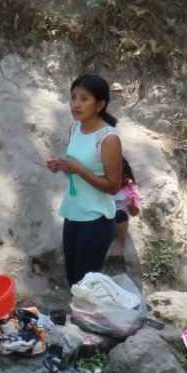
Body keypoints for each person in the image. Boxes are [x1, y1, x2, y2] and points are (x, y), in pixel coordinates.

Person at [46, 73, 125, 288]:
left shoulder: (108, 138)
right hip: (73, 213)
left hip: (96, 219)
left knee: (86, 285)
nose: (76, 104)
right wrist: (62, 166)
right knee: (73, 280)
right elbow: (76, 170)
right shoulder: (75, 128)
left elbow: (113, 186)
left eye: (84, 98)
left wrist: (78, 169)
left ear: (100, 105)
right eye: (73, 97)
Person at [112, 159, 141, 250]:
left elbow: (135, 213)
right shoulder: (103, 185)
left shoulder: (130, 187)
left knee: (120, 214)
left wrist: (131, 206)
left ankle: (121, 244)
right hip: (103, 219)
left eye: (124, 176)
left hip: (120, 222)